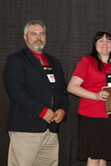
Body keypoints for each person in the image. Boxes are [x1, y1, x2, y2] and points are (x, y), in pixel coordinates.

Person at [3, 20, 69, 166]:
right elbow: (16, 92)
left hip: (51, 130)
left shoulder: (54, 62)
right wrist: (42, 111)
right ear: (25, 37)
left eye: (42, 34)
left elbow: (63, 89)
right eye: (33, 34)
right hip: (25, 129)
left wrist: (62, 110)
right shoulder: (16, 59)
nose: (38, 37)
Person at [67, 30, 111, 166]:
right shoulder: (87, 61)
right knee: (93, 156)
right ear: (95, 44)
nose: (105, 44)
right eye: (101, 41)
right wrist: (95, 96)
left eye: (109, 41)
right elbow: (72, 87)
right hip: (91, 116)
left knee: (104, 156)